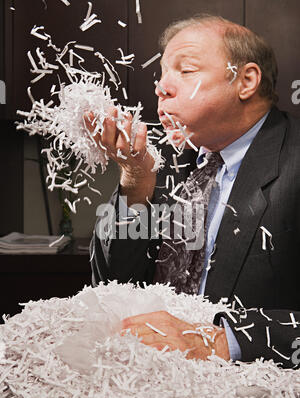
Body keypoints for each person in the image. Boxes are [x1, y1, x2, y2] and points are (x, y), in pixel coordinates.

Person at [86, 14, 300, 369]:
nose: (161, 87)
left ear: (246, 80)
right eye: (162, 74)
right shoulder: (162, 157)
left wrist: (222, 342)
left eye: (185, 71)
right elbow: (108, 286)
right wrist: (135, 182)